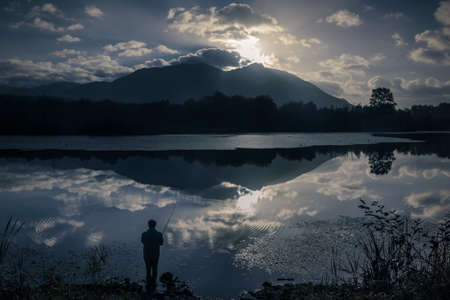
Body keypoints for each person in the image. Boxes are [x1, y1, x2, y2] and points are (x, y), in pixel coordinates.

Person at [141, 219, 163, 287]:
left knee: (148, 270)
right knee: (155, 269)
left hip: (146, 254)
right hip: (155, 255)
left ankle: (148, 284)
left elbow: (143, 242)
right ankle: (153, 285)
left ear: (148, 225)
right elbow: (161, 243)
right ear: (155, 225)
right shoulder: (159, 234)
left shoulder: (144, 234)